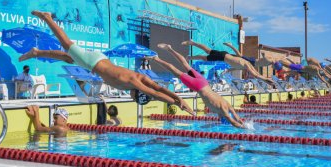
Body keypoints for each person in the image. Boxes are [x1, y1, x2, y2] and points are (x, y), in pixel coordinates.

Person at [19, 11, 194, 116]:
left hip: (100, 58)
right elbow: (155, 94)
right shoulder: (131, 82)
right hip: (92, 63)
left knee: (68, 57)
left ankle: (37, 52)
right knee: (66, 44)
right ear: (137, 95)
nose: (132, 99)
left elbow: (159, 88)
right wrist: (178, 103)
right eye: (135, 99)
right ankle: (47, 18)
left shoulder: (139, 77)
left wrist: (179, 99)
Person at [147, 43, 244, 128]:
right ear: (222, 118)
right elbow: (234, 123)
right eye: (220, 119)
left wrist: (242, 123)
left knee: (185, 64)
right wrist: (244, 129)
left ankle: (169, 48)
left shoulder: (227, 105)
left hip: (204, 82)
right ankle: (157, 58)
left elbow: (237, 118)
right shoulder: (224, 112)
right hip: (198, 86)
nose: (218, 118)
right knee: (175, 71)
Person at [183, 40, 275, 86]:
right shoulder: (248, 65)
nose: (250, 74)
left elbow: (255, 74)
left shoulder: (245, 65)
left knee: (207, 51)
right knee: (205, 57)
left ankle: (192, 46)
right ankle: (190, 55)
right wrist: (266, 80)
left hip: (224, 55)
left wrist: (266, 80)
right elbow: (257, 75)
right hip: (222, 57)